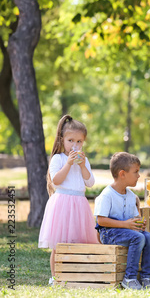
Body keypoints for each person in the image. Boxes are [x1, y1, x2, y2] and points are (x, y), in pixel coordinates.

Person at [38, 115, 99, 286]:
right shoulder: (58, 159)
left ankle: (75, 275)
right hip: (62, 203)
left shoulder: (84, 160)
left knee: (79, 242)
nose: (75, 145)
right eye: (71, 140)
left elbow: (90, 182)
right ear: (62, 139)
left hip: (79, 204)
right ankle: (55, 277)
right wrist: (69, 164)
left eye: (79, 141)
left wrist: (81, 166)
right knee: (59, 244)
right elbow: (56, 180)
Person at [94, 152, 150, 290]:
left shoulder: (131, 196)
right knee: (138, 238)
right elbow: (101, 220)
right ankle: (129, 278)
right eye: (136, 172)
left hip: (127, 232)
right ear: (122, 174)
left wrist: (139, 224)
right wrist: (125, 224)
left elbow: (134, 219)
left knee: (149, 238)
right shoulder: (107, 195)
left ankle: (145, 278)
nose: (139, 176)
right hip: (109, 233)